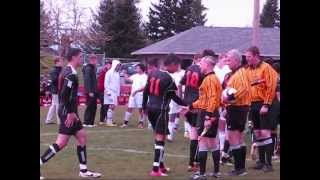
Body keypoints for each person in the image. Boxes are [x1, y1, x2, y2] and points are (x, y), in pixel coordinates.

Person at [40, 48, 101, 179]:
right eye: (80, 56)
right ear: (73, 57)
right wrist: (70, 112)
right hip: (67, 112)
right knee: (61, 142)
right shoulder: (70, 74)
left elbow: (67, 95)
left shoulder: (69, 71)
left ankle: (83, 170)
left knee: (82, 137)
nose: (81, 59)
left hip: (68, 111)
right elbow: (64, 95)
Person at [142, 54, 188, 177]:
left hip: (151, 108)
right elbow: (174, 97)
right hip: (161, 110)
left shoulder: (152, 74)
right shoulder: (168, 78)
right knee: (160, 138)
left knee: (159, 137)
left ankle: (161, 166)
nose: (178, 68)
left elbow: (146, 91)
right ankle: (155, 169)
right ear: (172, 64)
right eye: (177, 65)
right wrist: (187, 105)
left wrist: (144, 107)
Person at [245, 46, 278, 172]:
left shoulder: (266, 68)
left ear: (256, 56)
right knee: (258, 133)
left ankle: (269, 164)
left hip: (265, 103)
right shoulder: (248, 70)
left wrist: (266, 105)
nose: (247, 59)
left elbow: (271, 87)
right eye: (246, 57)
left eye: (248, 56)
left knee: (265, 132)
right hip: (254, 104)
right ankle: (261, 161)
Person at [190, 56, 222, 180]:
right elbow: (204, 99)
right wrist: (191, 106)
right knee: (213, 143)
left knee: (202, 142)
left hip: (207, 113)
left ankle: (202, 174)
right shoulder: (212, 79)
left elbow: (213, 99)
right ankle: (216, 172)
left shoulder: (210, 79)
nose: (199, 66)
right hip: (211, 112)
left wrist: (208, 116)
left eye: (201, 63)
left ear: (207, 65)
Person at [222, 49, 251, 176]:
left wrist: (228, 98)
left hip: (237, 109)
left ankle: (239, 169)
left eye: (228, 59)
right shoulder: (237, 73)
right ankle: (241, 168)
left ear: (235, 60)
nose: (227, 62)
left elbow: (243, 89)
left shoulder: (240, 73)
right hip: (238, 108)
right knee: (238, 138)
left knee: (233, 137)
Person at [179, 53, 203, 172]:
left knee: (193, 132)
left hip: (187, 102)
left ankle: (191, 163)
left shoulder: (188, 69)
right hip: (196, 103)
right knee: (198, 133)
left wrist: (181, 99)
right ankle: (197, 160)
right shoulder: (202, 70)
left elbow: (180, 84)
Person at [121, 64, 148, 128]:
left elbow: (144, 87)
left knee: (140, 109)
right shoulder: (135, 75)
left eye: (137, 68)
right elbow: (127, 80)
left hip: (140, 95)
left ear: (141, 69)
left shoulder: (145, 77)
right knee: (129, 108)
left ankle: (140, 123)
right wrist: (125, 73)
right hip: (133, 95)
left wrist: (136, 91)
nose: (136, 69)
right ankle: (125, 123)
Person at [167, 65, 185, 141]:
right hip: (174, 97)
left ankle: (188, 131)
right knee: (172, 115)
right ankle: (170, 135)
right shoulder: (171, 74)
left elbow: (181, 86)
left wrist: (181, 97)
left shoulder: (184, 73)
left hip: (183, 95)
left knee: (187, 114)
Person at [45, 57, 63, 125]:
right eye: (61, 61)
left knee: (54, 105)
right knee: (58, 105)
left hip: (57, 90)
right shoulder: (54, 70)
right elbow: (54, 80)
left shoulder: (59, 69)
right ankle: (60, 121)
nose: (62, 62)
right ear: (57, 62)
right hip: (56, 90)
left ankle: (48, 120)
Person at [104, 59, 121, 127]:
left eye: (119, 66)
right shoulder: (109, 72)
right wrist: (108, 92)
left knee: (113, 107)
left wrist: (118, 94)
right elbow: (106, 83)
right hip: (110, 92)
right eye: (118, 65)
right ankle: (108, 121)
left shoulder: (117, 73)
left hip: (115, 92)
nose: (118, 67)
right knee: (111, 106)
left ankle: (111, 120)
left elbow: (118, 84)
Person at [83, 54, 98, 127]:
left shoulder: (92, 68)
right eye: (95, 60)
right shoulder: (88, 68)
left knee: (93, 106)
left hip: (94, 91)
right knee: (89, 106)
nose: (96, 61)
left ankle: (91, 122)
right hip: (90, 91)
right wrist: (89, 91)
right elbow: (87, 80)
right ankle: (86, 122)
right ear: (92, 60)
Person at [97, 60, 112, 125]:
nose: (110, 66)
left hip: (106, 91)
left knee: (106, 105)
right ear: (106, 65)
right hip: (102, 91)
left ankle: (104, 119)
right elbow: (101, 83)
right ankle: (104, 119)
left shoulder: (109, 72)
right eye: (108, 65)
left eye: (110, 65)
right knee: (104, 105)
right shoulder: (104, 72)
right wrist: (104, 90)